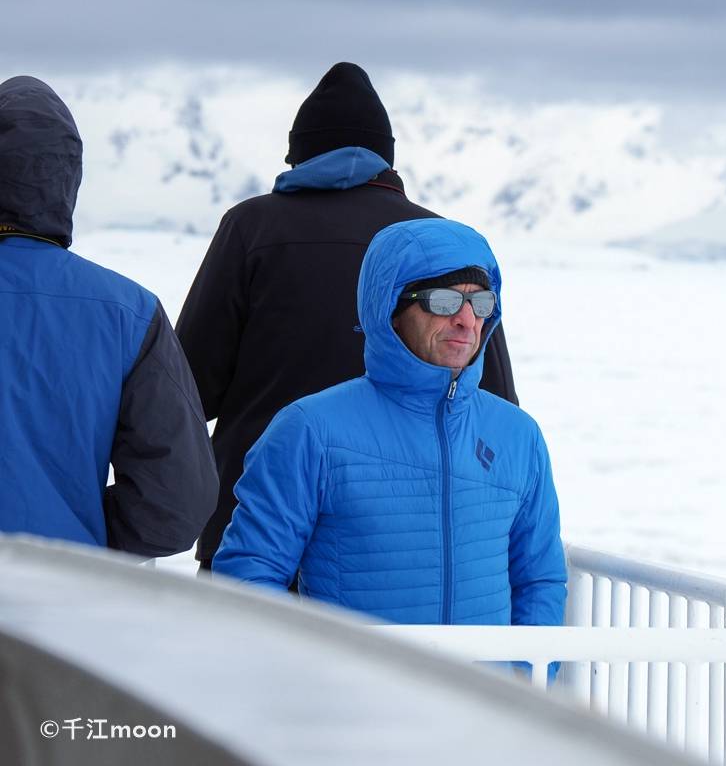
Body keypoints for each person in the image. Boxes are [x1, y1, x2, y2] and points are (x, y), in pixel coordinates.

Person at [176, 62, 519, 571]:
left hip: (256, 530)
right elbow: (492, 401)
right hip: (406, 534)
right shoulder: (440, 243)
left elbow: (188, 388)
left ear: (299, 153)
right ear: (387, 158)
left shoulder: (251, 227)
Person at [212, 218, 566, 630]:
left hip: (477, 693)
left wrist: (520, 677)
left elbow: (540, 580)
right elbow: (250, 576)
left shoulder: (518, 436)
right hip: (354, 692)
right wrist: (313, 679)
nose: (467, 321)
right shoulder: (311, 431)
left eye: (481, 303)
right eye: (444, 301)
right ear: (391, 310)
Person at [0, 75, 217, 556]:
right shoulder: (129, 313)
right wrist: (87, 537)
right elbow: (177, 501)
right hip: (59, 600)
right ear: (66, 180)